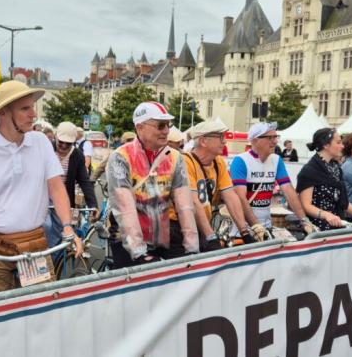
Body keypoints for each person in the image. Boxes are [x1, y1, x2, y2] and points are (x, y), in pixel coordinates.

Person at [0, 81, 82, 295]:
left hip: (34, 243)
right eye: (25, 108)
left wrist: (67, 227)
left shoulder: (40, 142)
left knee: (42, 308)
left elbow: (56, 188)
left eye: (32, 107)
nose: (33, 114)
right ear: (3, 112)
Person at [105, 101, 198, 267]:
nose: (167, 131)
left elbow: (185, 207)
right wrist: (140, 252)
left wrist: (192, 248)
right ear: (140, 128)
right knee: (133, 287)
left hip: (161, 235)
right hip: (127, 237)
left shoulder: (175, 157)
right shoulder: (120, 157)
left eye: (168, 125)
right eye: (160, 125)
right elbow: (126, 210)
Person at [179, 120, 251, 252]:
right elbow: (194, 202)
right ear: (203, 141)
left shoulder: (218, 162)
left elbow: (230, 196)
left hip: (202, 226)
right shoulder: (185, 161)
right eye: (220, 137)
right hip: (181, 229)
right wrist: (210, 236)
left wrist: (244, 231)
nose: (224, 141)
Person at [230, 122, 313, 237]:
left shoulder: (276, 160)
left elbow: (288, 190)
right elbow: (240, 198)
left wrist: (304, 220)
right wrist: (256, 226)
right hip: (244, 230)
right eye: (269, 138)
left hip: (266, 227)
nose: (275, 141)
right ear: (255, 140)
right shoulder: (240, 161)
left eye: (276, 137)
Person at [296, 128, 352, 231]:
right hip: (317, 231)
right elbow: (305, 205)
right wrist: (326, 215)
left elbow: (344, 202)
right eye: (338, 142)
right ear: (326, 145)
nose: (342, 146)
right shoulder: (310, 170)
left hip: (337, 227)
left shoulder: (336, 168)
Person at [44, 122, 99, 250]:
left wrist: (93, 204)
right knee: (45, 226)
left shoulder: (77, 155)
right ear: (56, 137)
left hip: (63, 198)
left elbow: (84, 181)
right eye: (61, 142)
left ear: (73, 142)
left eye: (67, 143)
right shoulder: (47, 149)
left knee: (62, 231)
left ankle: (54, 261)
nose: (63, 145)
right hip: (43, 195)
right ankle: (47, 255)